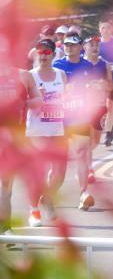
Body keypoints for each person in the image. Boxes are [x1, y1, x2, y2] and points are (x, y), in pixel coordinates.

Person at [53, 32, 103, 211]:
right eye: (66, 44)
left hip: (80, 118)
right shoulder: (57, 65)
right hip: (60, 119)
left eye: (73, 45)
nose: (68, 47)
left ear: (80, 47)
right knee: (58, 163)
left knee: (82, 154)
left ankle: (83, 193)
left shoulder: (87, 65)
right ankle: (48, 194)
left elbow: (95, 87)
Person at [26, 38, 66, 228]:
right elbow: (23, 104)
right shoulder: (29, 76)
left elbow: (66, 100)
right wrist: (37, 99)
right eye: (40, 52)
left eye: (47, 52)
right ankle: (34, 211)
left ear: (53, 54)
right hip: (37, 130)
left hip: (58, 129)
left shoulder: (61, 75)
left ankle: (46, 198)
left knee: (60, 173)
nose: (43, 55)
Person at [0, 51, 41, 229]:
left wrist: (24, 104)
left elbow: (38, 99)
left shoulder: (24, 75)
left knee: (5, 187)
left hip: (15, 139)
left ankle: (5, 228)